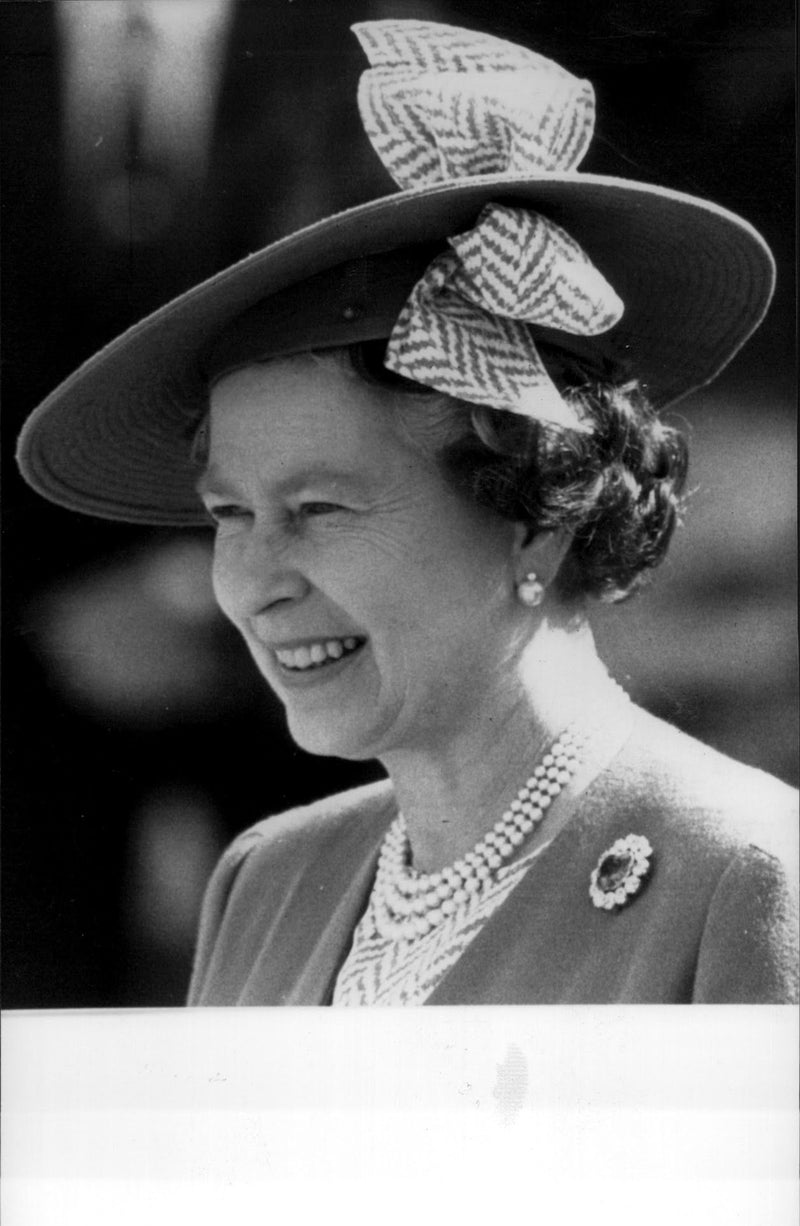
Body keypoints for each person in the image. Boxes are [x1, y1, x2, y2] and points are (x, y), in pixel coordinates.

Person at [16, 19, 797, 1005]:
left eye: (316, 507)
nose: (251, 583)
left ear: (539, 509)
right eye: (227, 515)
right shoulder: (262, 880)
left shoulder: (741, 875)